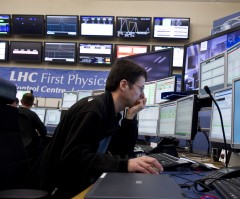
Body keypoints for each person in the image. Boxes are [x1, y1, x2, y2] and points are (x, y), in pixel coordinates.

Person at [30, 59, 163, 198]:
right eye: (141, 88)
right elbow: (72, 158)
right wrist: (126, 164)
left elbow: (122, 152)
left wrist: (130, 116)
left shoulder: (110, 112)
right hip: (55, 188)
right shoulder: (93, 110)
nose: (142, 95)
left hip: (76, 181)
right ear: (123, 85)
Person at [19, 93, 47, 161]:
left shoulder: (13, 112)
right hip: (29, 147)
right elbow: (43, 131)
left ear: (21, 101)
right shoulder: (32, 114)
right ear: (32, 103)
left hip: (15, 145)